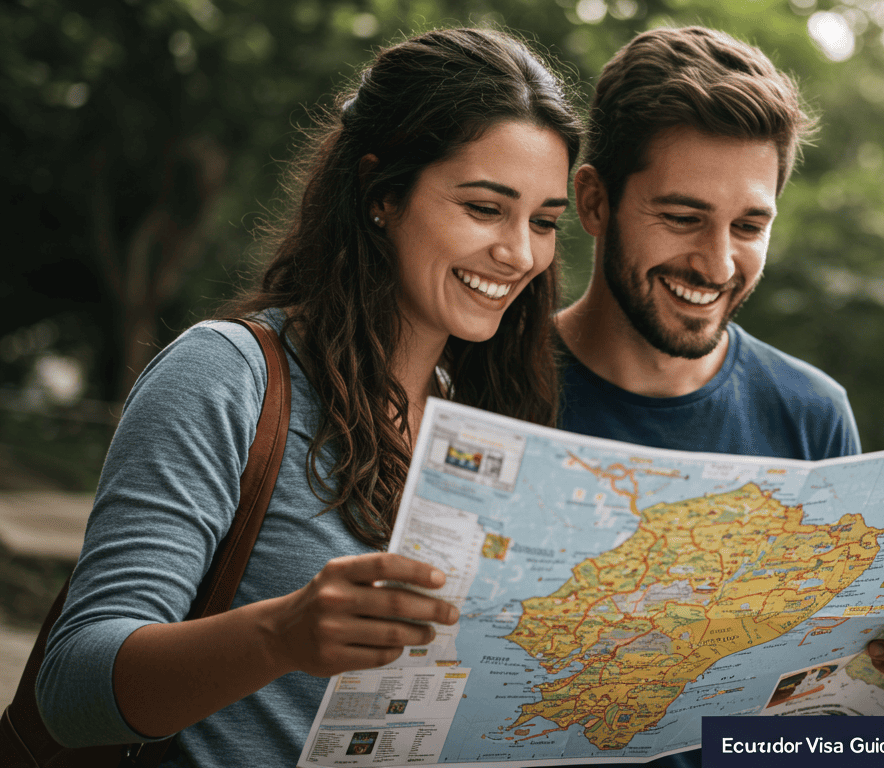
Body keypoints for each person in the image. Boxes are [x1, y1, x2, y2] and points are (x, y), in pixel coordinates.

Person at [36, 27, 581, 766]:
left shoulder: (484, 426)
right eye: (485, 208)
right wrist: (280, 636)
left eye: (544, 222)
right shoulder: (229, 375)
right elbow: (72, 689)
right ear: (381, 194)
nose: (520, 253)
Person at [554, 26, 884, 728]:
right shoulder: (477, 386)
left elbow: (821, 718)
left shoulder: (810, 414)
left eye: (750, 227)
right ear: (594, 201)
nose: (717, 263)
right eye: (683, 217)